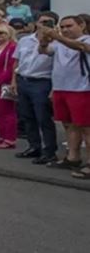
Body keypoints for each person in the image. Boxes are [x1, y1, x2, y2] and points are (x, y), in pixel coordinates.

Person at [38, 15, 90, 178]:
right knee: (69, 124)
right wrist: (44, 40)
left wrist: (56, 36)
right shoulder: (59, 43)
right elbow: (44, 51)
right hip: (62, 88)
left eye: (70, 26)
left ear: (82, 25)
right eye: (63, 26)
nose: (66, 29)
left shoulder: (86, 39)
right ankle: (72, 157)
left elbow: (80, 47)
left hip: (82, 89)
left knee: (87, 127)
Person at [11, 12, 58, 164]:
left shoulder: (57, 43)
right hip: (23, 79)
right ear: (36, 23)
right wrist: (14, 81)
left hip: (42, 82)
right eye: (42, 21)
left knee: (43, 118)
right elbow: (16, 62)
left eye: (48, 22)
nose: (44, 25)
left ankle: (49, 150)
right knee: (27, 117)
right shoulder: (25, 40)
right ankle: (34, 146)